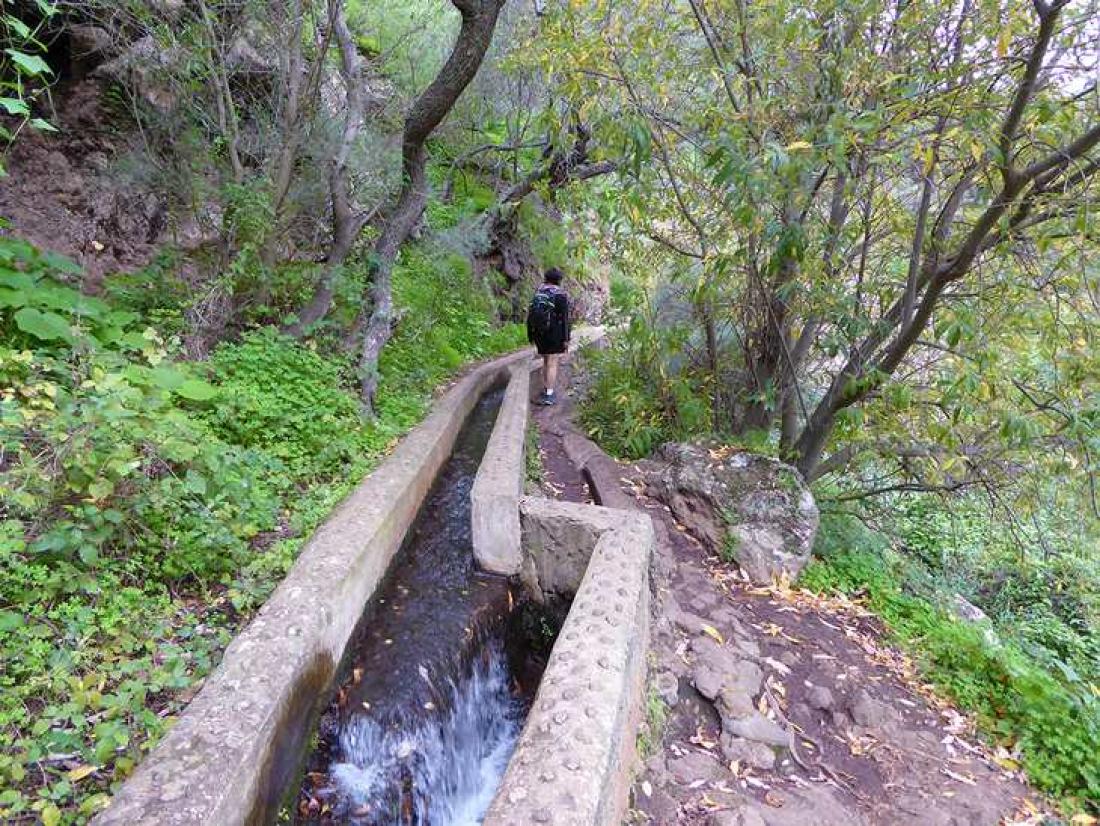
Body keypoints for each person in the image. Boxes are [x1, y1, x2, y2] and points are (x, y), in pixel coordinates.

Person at [526, 267, 571, 405]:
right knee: (552, 363)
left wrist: (531, 335)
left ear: (546, 278)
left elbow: (530, 314)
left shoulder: (539, 292)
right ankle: (549, 394)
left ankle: (546, 389)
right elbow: (564, 319)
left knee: (545, 361)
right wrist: (566, 338)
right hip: (555, 334)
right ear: (559, 280)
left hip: (540, 333)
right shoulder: (560, 295)